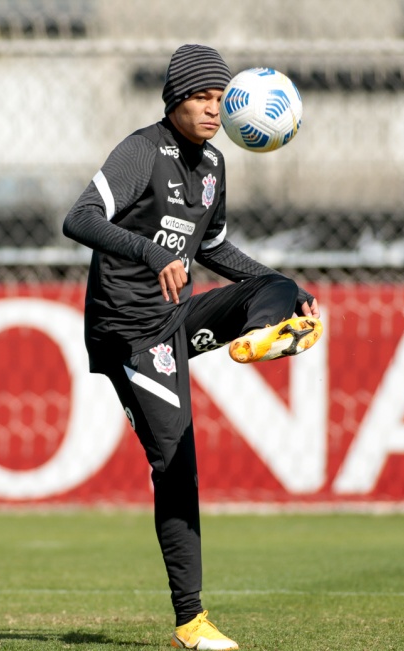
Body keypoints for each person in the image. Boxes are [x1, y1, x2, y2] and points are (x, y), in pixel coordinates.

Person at [62, 44, 321, 651]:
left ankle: (264, 331)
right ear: (175, 99)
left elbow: (215, 250)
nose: (213, 110)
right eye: (203, 98)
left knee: (278, 285)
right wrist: (151, 253)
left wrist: (288, 292)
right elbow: (78, 218)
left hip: (174, 318)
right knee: (177, 460)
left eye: (219, 98)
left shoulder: (212, 169)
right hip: (128, 328)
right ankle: (191, 622)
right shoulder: (140, 150)